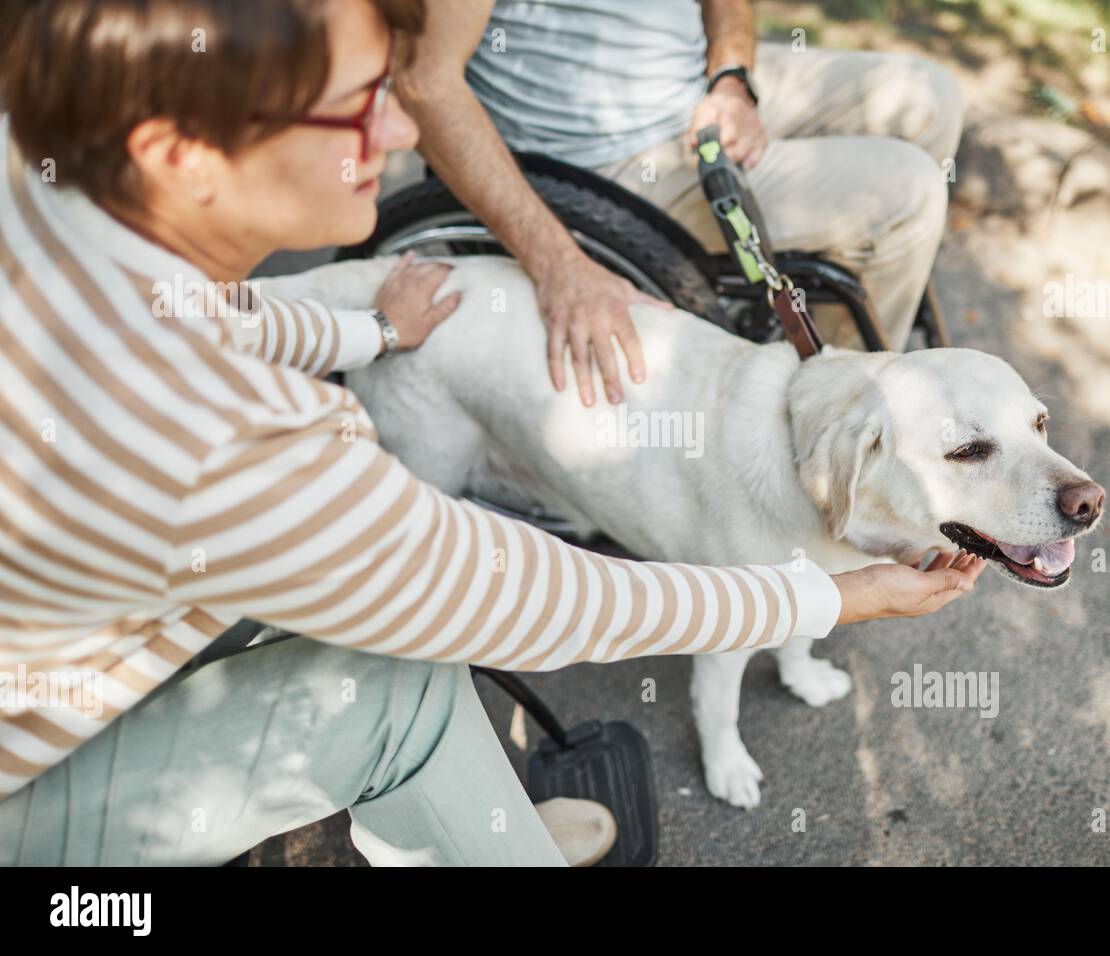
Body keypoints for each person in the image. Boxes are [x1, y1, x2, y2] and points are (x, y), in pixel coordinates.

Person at [0, 0, 985, 866]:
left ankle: (448, 812)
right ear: (179, 153)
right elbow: (534, 597)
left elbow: (214, 313)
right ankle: (484, 837)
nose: (400, 123)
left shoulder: (43, 190)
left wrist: (372, 328)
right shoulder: (234, 443)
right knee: (402, 692)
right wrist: (836, 596)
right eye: (356, 104)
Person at [399, 0, 963, 405]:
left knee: (929, 96)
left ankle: (833, 348)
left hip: (689, 93)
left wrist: (731, 80)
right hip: (593, 168)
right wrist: (560, 267)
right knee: (906, 193)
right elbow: (423, 83)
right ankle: (835, 419)